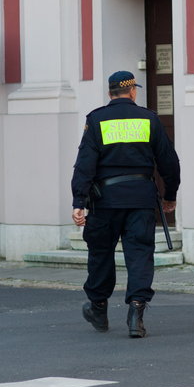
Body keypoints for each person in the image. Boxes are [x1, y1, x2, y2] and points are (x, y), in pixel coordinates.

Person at [71, 70, 181, 338]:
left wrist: (79, 200)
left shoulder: (96, 119)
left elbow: (85, 163)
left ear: (110, 93)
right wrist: (170, 195)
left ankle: (98, 306)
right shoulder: (149, 119)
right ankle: (136, 310)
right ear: (133, 91)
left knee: (100, 253)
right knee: (140, 253)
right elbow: (169, 161)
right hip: (141, 199)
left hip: (104, 201)